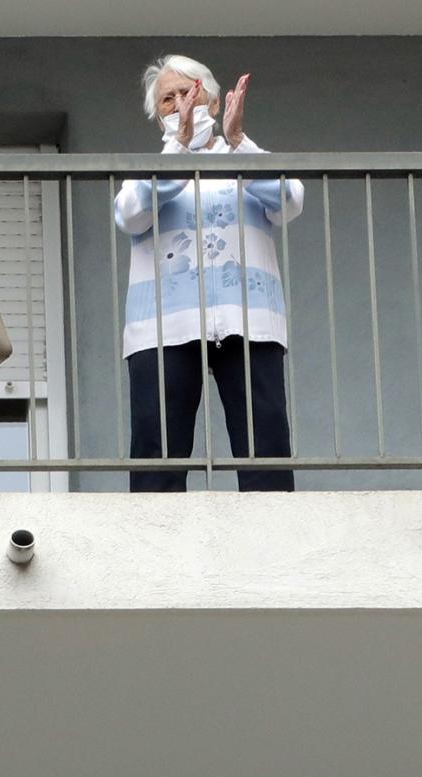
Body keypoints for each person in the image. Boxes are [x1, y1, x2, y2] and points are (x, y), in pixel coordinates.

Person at [111, 55, 303, 491]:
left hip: (246, 317)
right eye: (167, 100)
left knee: (266, 444)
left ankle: (274, 548)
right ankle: (157, 551)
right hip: (163, 326)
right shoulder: (152, 168)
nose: (181, 104)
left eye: (189, 92)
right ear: (157, 116)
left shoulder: (245, 157)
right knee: (157, 451)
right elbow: (129, 215)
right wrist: (177, 151)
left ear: (214, 103)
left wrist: (239, 144)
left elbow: (290, 200)